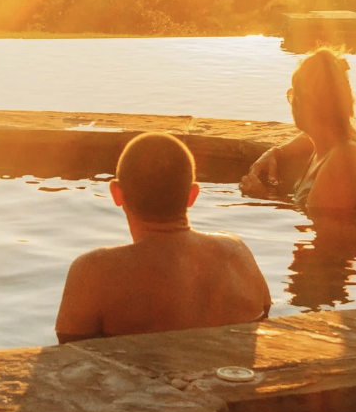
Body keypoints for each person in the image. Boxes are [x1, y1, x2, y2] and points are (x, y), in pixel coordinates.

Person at [55, 132, 272, 343]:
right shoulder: (238, 254)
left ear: (116, 193)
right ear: (193, 195)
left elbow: (65, 359)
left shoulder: (93, 273)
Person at [241, 48, 356, 220]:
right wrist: (276, 152)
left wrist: (265, 198)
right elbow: (306, 140)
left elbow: (324, 230)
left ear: (309, 102)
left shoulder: (344, 160)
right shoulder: (332, 141)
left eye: (294, 94)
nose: (292, 102)